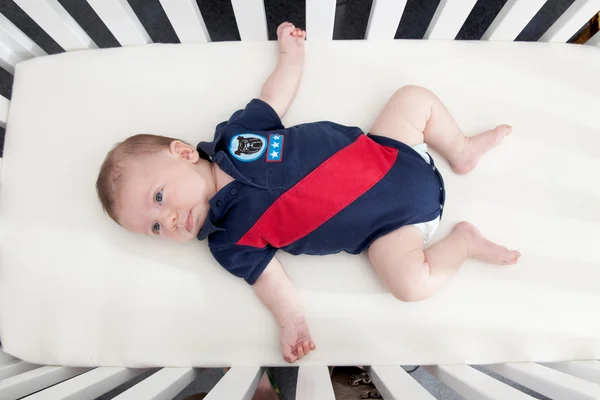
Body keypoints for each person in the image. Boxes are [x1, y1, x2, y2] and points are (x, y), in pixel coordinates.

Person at [95, 22, 520, 364]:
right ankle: (462, 245)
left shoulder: (236, 138)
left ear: (184, 153)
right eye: (153, 227)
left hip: (390, 148)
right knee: (409, 284)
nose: (167, 220)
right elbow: (271, 282)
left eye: (158, 199)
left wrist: (290, 57)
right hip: (391, 229)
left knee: (412, 98)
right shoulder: (228, 242)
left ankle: (460, 150)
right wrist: (291, 320)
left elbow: (272, 99)